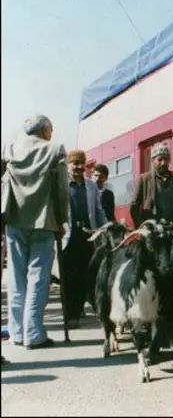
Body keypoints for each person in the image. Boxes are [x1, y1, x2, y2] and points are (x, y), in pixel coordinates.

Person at [1, 115, 69, 349]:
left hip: (14, 221)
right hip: (44, 222)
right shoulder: (55, 149)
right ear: (43, 129)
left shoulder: (8, 147)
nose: (53, 132)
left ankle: (17, 333)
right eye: (51, 128)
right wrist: (61, 220)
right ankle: (34, 334)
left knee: (16, 279)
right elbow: (61, 190)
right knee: (38, 279)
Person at [62, 149, 107, 329]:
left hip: (88, 235)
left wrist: (105, 226)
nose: (79, 167)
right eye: (75, 164)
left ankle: (83, 309)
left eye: (82, 164)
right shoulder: (62, 184)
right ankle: (71, 315)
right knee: (69, 277)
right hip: (68, 237)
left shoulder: (91, 185)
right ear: (68, 165)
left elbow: (98, 210)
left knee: (87, 274)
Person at [129, 143, 173, 228]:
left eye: (166, 159)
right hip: (153, 229)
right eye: (160, 159)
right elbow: (134, 206)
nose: (163, 163)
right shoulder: (144, 179)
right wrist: (141, 225)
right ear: (152, 161)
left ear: (169, 160)